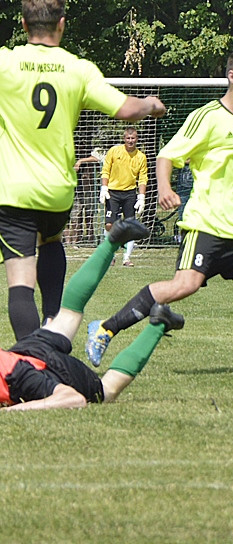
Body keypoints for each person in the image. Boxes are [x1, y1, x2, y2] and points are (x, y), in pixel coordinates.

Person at [85, 46, 233, 376]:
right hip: (206, 226)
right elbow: (167, 156)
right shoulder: (208, 116)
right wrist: (165, 188)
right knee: (183, 286)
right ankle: (105, 328)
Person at [0, 0, 165, 341]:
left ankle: (31, 358)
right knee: (52, 240)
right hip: (56, 191)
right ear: (62, 24)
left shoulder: (5, 63)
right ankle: (52, 320)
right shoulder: (78, 69)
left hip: (13, 189)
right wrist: (151, 104)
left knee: (20, 281)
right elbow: (126, 109)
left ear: (23, 24)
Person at [1, 219, 183, 411]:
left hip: (20, 373)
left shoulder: (21, 379)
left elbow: (73, 399)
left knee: (105, 391)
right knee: (67, 315)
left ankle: (158, 324)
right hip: (21, 354)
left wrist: (12, 410)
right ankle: (112, 242)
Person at [100, 126, 148, 266]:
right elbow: (105, 170)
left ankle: (126, 258)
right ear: (124, 139)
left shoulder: (141, 157)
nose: (130, 141)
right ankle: (110, 254)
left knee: (130, 225)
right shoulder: (114, 151)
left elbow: (143, 178)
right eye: (128, 138)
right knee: (109, 224)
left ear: (137, 139)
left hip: (129, 193)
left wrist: (141, 197)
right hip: (113, 192)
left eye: (133, 138)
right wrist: (104, 188)